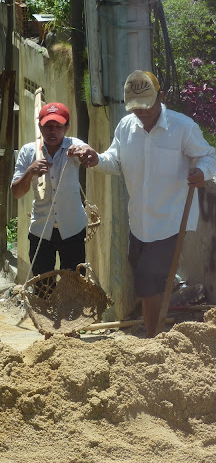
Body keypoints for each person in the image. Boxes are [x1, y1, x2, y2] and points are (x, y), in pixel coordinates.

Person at [67, 70, 216, 338]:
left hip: (171, 220)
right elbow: (115, 160)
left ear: (160, 97)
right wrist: (95, 159)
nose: (142, 113)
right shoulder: (126, 127)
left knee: (148, 279)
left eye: (146, 106)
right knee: (145, 279)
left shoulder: (182, 127)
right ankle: (159, 332)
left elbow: (208, 155)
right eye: (136, 108)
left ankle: (153, 335)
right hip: (138, 221)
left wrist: (201, 172)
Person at [11, 102, 88, 277]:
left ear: (67, 127)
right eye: (47, 126)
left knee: (74, 287)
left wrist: (84, 153)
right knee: (42, 288)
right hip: (40, 231)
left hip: (72, 230)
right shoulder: (28, 152)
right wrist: (30, 172)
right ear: (40, 127)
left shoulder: (73, 146)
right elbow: (16, 193)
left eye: (58, 127)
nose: (52, 131)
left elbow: (87, 152)